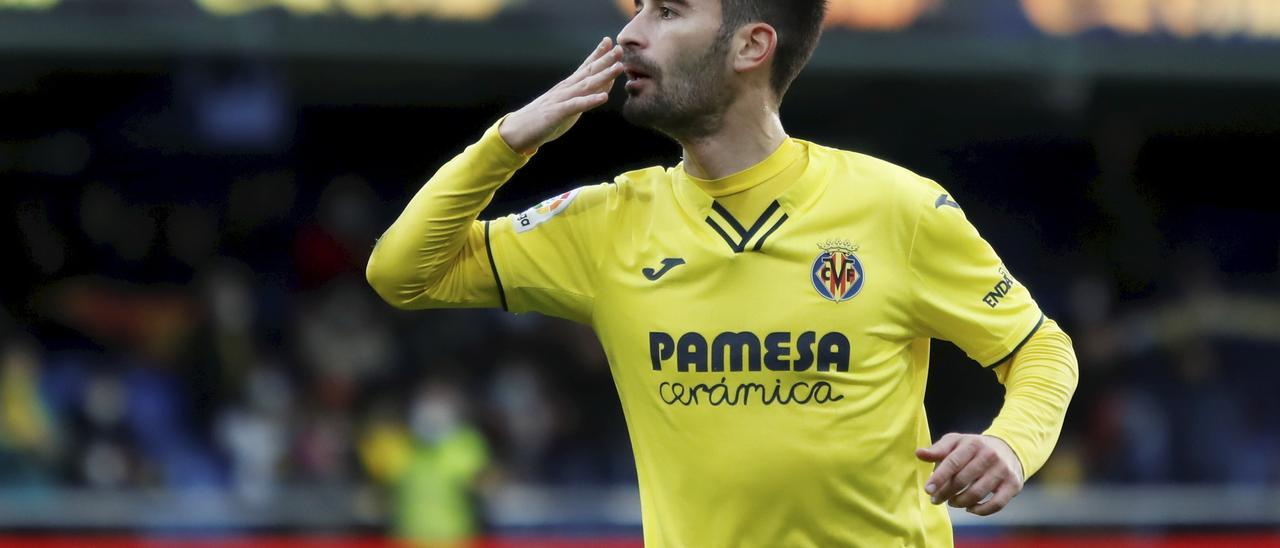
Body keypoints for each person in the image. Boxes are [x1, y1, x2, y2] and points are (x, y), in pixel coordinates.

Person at [366, 0, 1079, 545]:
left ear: (751, 45)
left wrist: (1009, 445)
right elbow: (404, 273)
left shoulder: (897, 208)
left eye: (668, 10)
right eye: (638, 8)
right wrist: (508, 142)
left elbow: (1040, 350)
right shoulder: (608, 223)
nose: (631, 34)